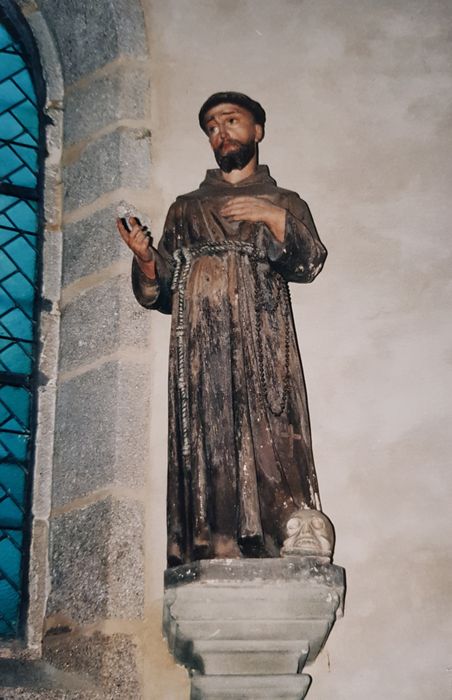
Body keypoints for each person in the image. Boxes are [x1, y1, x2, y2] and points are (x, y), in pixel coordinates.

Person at [117, 92, 327, 567]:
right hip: (200, 342)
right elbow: (162, 292)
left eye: (231, 121)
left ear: (257, 131)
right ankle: (212, 540)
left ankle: (282, 529)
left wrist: (272, 217)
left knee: (270, 426)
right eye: (212, 127)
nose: (221, 132)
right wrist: (148, 259)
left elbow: (309, 261)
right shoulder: (186, 209)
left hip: (263, 335)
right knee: (209, 431)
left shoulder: (284, 201)